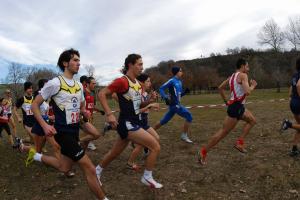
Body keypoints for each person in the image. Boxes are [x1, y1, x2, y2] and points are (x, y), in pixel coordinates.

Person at [28, 48, 107, 199]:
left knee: (63, 166)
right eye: (75, 60)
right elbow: (34, 105)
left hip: (74, 131)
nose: (79, 63)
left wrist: (84, 112)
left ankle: (36, 156)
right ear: (65, 63)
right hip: (62, 133)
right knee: (89, 168)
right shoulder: (55, 83)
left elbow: (81, 105)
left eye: (79, 60)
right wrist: (45, 126)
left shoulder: (78, 86)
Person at [95, 54, 163, 189]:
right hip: (127, 123)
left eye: (142, 64)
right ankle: (147, 177)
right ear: (130, 65)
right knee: (155, 146)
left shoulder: (138, 84)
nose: (142, 67)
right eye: (139, 64)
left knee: (114, 153)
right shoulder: (122, 81)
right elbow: (101, 93)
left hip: (135, 123)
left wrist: (150, 102)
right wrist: (109, 114)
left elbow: (138, 105)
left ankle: (96, 171)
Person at [198, 58, 257, 165]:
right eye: (247, 66)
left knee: (252, 121)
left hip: (237, 107)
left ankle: (239, 143)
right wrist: (253, 85)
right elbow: (248, 91)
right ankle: (203, 152)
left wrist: (227, 102)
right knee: (222, 133)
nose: (248, 68)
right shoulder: (243, 75)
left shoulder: (232, 76)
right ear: (243, 66)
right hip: (236, 108)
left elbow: (220, 88)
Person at [127, 73, 160, 170]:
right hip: (138, 122)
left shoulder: (145, 94)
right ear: (141, 82)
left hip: (144, 122)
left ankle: (147, 153)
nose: (150, 83)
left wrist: (152, 100)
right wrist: (150, 105)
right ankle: (130, 163)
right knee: (141, 145)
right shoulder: (137, 93)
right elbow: (137, 110)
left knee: (156, 138)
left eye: (150, 81)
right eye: (148, 81)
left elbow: (146, 106)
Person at [153, 66, 193, 143]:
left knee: (164, 121)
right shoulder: (171, 81)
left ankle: (150, 131)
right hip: (175, 105)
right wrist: (165, 97)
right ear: (177, 72)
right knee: (189, 116)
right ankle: (184, 135)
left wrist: (185, 93)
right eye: (180, 71)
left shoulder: (180, 82)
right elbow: (161, 88)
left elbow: (179, 95)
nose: (182, 72)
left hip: (175, 105)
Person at [281, 58, 300, 156]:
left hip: (293, 102)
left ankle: (294, 149)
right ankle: (288, 124)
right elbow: (298, 86)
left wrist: (290, 97)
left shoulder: (295, 75)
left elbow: (291, 87)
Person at [79, 75, 101, 151]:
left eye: (95, 83)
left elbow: (91, 105)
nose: (94, 85)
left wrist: (99, 110)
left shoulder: (92, 93)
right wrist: (83, 113)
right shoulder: (83, 92)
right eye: (93, 83)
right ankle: (78, 142)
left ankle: (82, 152)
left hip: (90, 117)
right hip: (83, 118)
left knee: (89, 136)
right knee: (94, 134)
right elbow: (79, 105)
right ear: (87, 84)